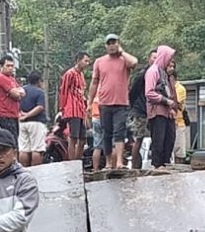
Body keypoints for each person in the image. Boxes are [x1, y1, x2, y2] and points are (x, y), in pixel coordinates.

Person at [87, 34, 138, 171]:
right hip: (104, 102)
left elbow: (134, 62)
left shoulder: (124, 60)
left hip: (121, 103)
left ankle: (119, 162)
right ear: (105, 46)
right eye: (109, 43)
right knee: (107, 133)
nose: (111, 46)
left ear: (118, 43)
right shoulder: (99, 61)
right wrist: (90, 102)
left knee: (119, 132)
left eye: (114, 43)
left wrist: (122, 52)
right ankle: (108, 162)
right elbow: (94, 82)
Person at [145, 45, 177, 169]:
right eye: (169, 58)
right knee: (159, 141)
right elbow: (149, 93)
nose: (170, 61)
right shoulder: (153, 71)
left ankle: (166, 164)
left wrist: (171, 107)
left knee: (169, 140)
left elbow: (169, 92)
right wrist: (165, 101)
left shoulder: (164, 73)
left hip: (167, 112)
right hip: (157, 112)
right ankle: (157, 166)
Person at [128, 50, 158, 169]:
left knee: (155, 138)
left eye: (157, 58)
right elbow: (133, 92)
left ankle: (155, 163)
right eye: (153, 57)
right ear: (148, 58)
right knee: (138, 139)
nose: (155, 60)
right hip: (140, 111)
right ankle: (134, 166)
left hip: (152, 110)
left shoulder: (158, 73)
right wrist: (135, 106)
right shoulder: (143, 74)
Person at [59, 51, 91, 160]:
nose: (87, 63)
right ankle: (72, 162)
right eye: (85, 61)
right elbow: (63, 91)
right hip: (72, 109)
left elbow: (82, 93)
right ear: (78, 60)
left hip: (81, 110)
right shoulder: (70, 73)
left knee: (83, 139)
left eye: (88, 61)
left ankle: (78, 160)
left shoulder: (81, 75)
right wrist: (62, 108)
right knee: (73, 138)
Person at [18, 71, 48, 167]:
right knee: (37, 149)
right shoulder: (39, 92)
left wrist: (22, 114)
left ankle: (24, 170)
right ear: (39, 81)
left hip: (22, 122)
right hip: (36, 122)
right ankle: (36, 171)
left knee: (23, 149)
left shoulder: (21, 90)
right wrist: (28, 115)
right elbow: (40, 107)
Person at [0, 54, 26, 139]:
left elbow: (22, 92)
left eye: (12, 66)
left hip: (14, 114)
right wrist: (16, 93)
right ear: (1, 66)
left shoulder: (11, 78)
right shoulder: (1, 78)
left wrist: (16, 93)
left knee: (15, 139)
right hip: (6, 115)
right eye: (8, 66)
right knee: (11, 140)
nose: (10, 68)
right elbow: (17, 94)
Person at [170, 62, 188, 164]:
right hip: (169, 122)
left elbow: (175, 104)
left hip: (178, 122)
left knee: (179, 150)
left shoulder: (180, 89)